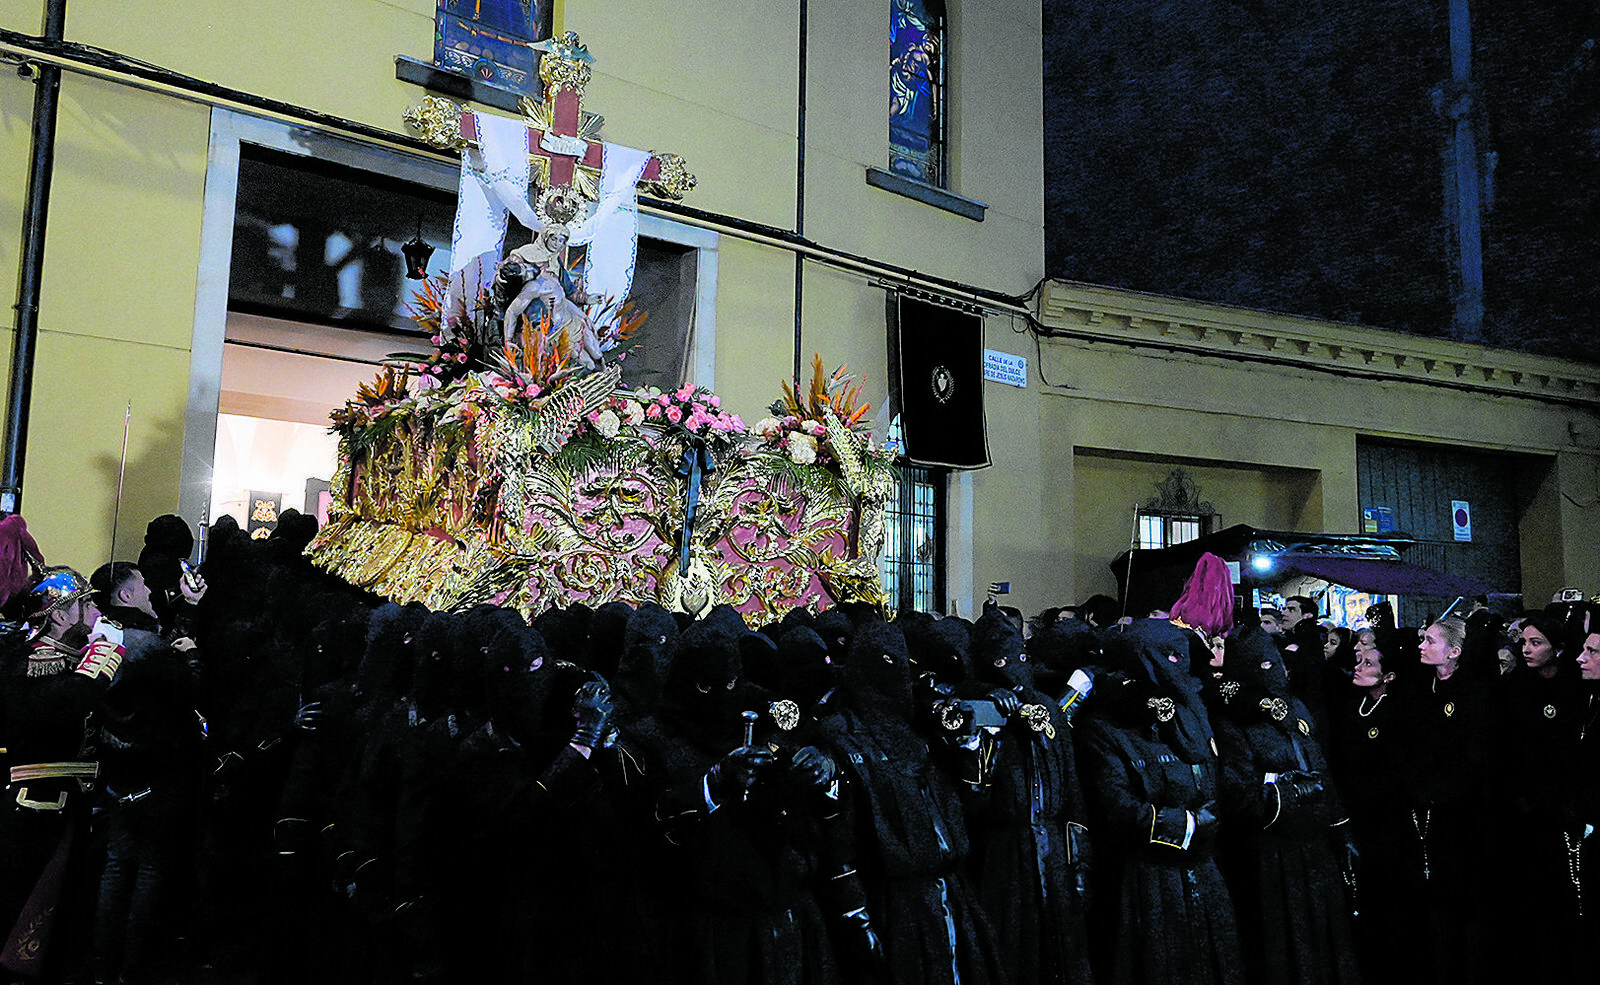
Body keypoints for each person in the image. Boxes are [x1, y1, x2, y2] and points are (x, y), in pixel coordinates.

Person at [1079, 554, 1243, 985]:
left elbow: (1207, 771)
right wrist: (1185, 823)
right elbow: (1117, 805)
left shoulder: (1191, 713)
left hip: (1201, 870)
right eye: (1170, 659)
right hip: (1146, 881)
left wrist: (1209, 814)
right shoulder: (1105, 725)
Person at [1, 567, 124, 982]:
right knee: (30, 902)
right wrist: (98, 666)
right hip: (41, 801)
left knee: (70, 907)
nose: (95, 610)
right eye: (86, 603)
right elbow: (56, 710)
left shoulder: (73, 657)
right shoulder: (34, 660)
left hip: (80, 798)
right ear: (59, 615)